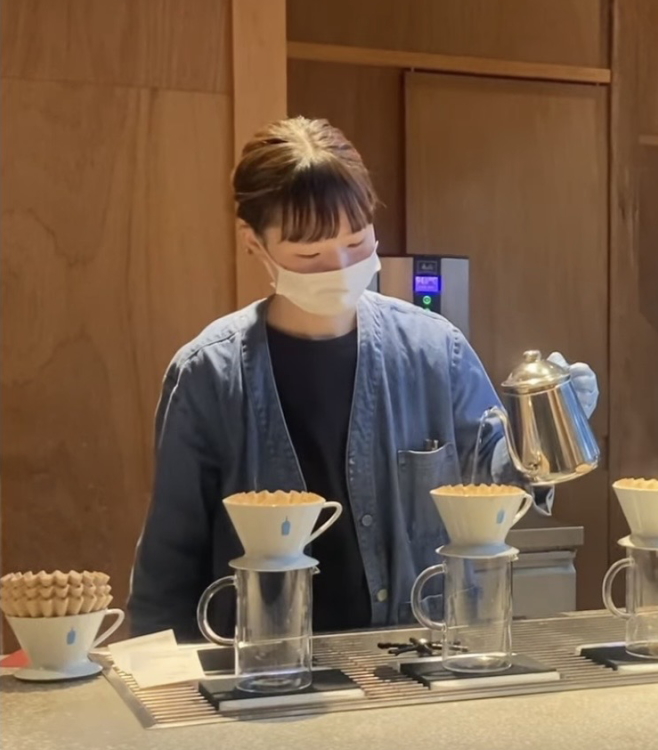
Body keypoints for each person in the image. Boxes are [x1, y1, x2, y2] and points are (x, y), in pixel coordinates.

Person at [128, 117, 599, 638]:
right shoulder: (209, 374)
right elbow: (167, 570)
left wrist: (543, 439)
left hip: (413, 656)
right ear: (254, 242)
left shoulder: (433, 350)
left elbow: (494, 485)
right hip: (265, 667)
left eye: (356, 242)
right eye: (309, 255)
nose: (338, 266)